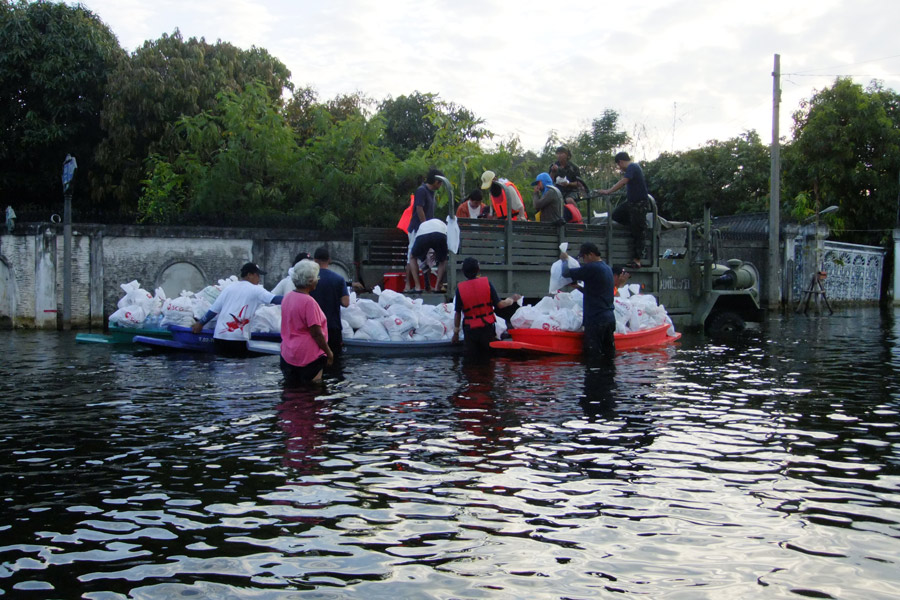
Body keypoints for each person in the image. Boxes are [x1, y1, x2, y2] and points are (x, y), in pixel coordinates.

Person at [192, 262, 284, 357]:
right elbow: (275, 299)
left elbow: (213, 310)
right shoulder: (256, 290)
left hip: (219, 337)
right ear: (249, 275)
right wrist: (295, 297)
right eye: (257, 275)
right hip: (238, 339)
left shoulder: (229, 288)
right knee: (239, 367)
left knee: (221, 367)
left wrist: (200, 323)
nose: (259, 279)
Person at [452, 257, 521, 356]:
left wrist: (456, 334)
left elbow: (457, 313)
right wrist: (512, 299)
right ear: (478, 270)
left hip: (470, 329)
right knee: (488, 359)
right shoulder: (487, 284)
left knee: (471, 361)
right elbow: (500, 305)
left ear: (463, 271)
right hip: (486, 328)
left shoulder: (460, 289)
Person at [280, 259, 333, 384]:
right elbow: (316, 333)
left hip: (288, 353)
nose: (317, 280)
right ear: (310, 281)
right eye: (316, 277)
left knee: (291, 390)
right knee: (312, 392)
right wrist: (329, 352)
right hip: (309, 356)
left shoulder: (288, 297)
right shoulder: (309, 302)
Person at [560, 242, 615, 361]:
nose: (583, 261)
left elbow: (565, 273)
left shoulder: (592, 267)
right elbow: (596, 292)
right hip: (609, 318)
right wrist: (578, 287)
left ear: (590, 255)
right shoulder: (607, 268)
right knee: (608, 356)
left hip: (596, 319)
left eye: (583, 257)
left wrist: (564, 260)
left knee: (593, 357)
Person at [601, 151, 651, 268]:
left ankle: (637, 260)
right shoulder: (633, 168)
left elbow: (624, 181)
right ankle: (633, 224)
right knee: (616, 215)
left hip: (639, 204)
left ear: (621, 162)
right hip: (631, 203)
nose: (620, 168)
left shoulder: (632, 167)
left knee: (638, 232)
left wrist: (608, 191)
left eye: (618, 165)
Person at [406, 168, 444, 288]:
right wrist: (425, 226)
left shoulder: (431, 193)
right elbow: (419, 208)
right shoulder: (422, 190)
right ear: (436, 181)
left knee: (426, 258)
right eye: (440, 182)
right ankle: (408, 284)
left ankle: (427, 285)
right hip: (417, 229)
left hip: (427, 230)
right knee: (412, 255)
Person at [309, 246, 350, 357]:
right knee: (334, 362)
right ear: (329, 260)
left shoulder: (309, 280)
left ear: (315, 261)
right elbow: (346, 303)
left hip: (312, 327)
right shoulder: (339, 279)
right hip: (333, 327)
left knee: (314, 361)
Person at [407, 218, 448, 293]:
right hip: (440, 234)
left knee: (412, 257)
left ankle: (417, 287)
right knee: (443, 260)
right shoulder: (444, 225)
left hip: (423, 235)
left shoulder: (424, 225)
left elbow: (424, 261)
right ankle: (437, 287)